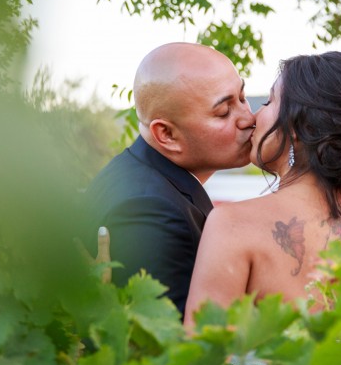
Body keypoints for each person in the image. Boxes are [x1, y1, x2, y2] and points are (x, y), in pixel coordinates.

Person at [183, 52, 341, 327]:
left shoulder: (232, 225)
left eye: (269, 101)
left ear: (298, 125)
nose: (254, 116)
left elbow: (202, 355)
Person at [81, 42, 256, 316]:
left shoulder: (146, 177)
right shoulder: (149, 211)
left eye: (243, 98)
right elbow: (167, 350)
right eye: (224, 112)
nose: (248, 118)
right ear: (167, 135)